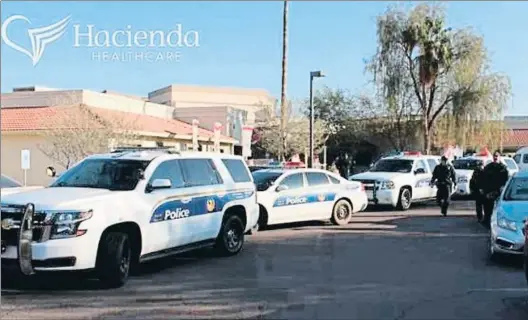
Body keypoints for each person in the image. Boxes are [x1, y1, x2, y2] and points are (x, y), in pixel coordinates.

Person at [480, 151, 509, 228]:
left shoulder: (503, 168)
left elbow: (506, 180)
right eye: (494, 156)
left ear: (499, 157)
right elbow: (482, 179)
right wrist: (482, 189)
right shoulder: (488, 167)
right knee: (487, 209)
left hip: (499, 192)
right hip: (488, 191)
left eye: (497, 156)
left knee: (497, 210)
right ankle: (487, 222)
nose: (495, 157)